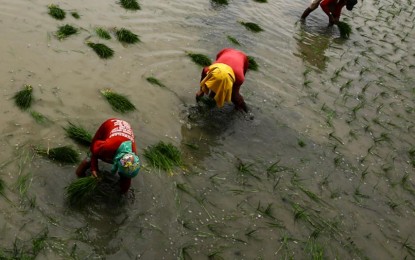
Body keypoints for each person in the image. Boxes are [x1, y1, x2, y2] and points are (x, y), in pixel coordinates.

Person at [76, 118, 141, 194]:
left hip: (124, 130)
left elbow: (127, 177)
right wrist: (94, 169)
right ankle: (78, 177)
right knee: (88, 159)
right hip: (109, 124)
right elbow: (95, 149)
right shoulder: (108, 147)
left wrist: (123, 193)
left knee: (125, 176)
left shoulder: (133, 157)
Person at [196, 48, 249, 112]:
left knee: (234, 96)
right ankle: (211, 102)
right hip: (225, 52)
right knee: (216, 85)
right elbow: (204, 76)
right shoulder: (208, 70)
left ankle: (245, 110)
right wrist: (201, 90)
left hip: (242, 58)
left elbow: (236, 93)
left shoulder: (239, 78)